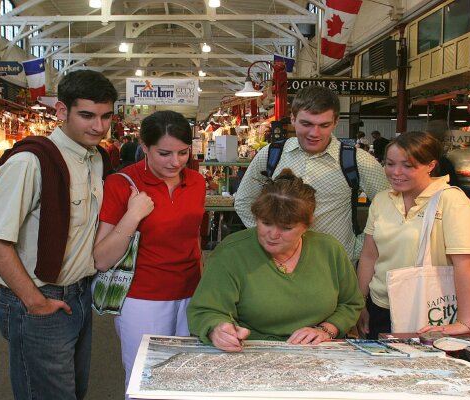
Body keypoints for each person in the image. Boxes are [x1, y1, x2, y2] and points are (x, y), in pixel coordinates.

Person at [0, 70, 118, 400]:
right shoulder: (29, 160)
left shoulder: (96, 158)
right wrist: (34, 301)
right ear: (61, 111)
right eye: (87, 115)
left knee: (72, 391)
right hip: (39, 299)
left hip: (80, 296)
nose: (98, 126)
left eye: (105, 116)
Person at [188, 169, 364, 352]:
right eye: (266, 223)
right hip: (250, 352)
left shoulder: (329, 249)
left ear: (307, 225)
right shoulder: (231, 253)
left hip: (319, 351)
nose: (273, 235)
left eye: (286, 228)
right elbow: (205, 310)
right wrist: (218, 329)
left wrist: (327, 329)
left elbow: (350, 303)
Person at [93, 110, 206, 390]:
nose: (175, 162)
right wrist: (133, 215)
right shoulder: (121, 184)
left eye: (183, 153)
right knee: (145, 379)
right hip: (142, 298)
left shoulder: (197, 182)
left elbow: (194, 240)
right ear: (144, 147)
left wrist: (204, 290)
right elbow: (102, 258)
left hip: (191, 293)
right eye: (164, 153)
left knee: (186, 377)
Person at [235, 85, 389, 262]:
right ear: (293, 119)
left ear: (336, 122)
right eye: (306, 124)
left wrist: (357, 247)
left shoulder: (357, 160)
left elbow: (390, 210)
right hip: (279, 265)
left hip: (334, 267)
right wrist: (270, 237)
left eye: (324, 125)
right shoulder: (272, 154)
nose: (314, 133)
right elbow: (243, 201)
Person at [356, 131, 470, 339]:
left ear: (430, 166)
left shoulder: (452, 202)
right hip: (380, 306)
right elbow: (369, 255)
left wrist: (465, 322)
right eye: (390, 163)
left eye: (408, 165)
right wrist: (359, 303)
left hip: (430, 308)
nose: (396, 172)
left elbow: (465, 264)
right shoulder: (381, 200)